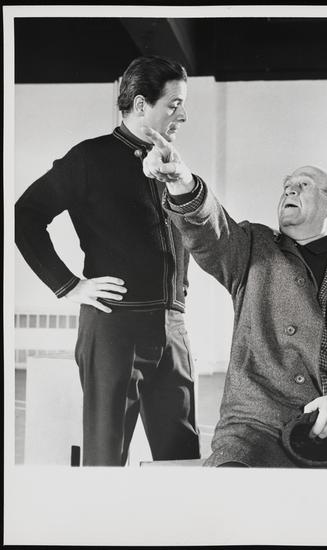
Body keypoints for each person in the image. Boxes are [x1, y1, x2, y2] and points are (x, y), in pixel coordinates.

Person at [142, 127, 327, 469]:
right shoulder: (251, 246)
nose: (290, 188)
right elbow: (211, 231)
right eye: (287, 185)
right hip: (257, 427)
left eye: (304, 184)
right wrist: (182, 181)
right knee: (229, 482)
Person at [15, 56, 200, 466]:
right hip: (115, 328)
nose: (183, 116)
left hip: (173, 327)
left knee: (182, 459)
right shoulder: (89, 158)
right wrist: (68, 285)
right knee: (106, 457)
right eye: (174, 105)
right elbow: (24, 216)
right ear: (141, 104)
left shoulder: (171, 163)